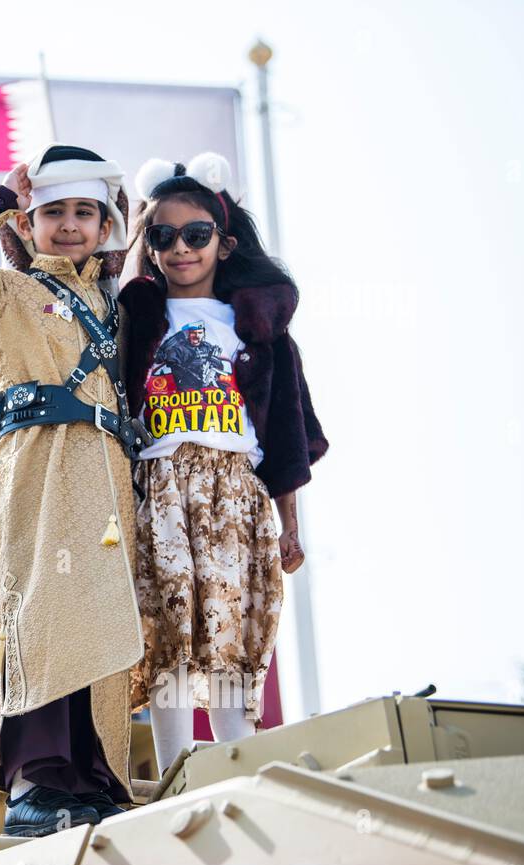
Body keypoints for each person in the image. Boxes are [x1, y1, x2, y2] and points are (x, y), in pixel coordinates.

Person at [0, 145, 148, 836]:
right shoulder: (7, 291)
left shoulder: (119, 305)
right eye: (54, 212)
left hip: (107, 480)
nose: (71, 225)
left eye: (86, 212)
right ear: (30, 223)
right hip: (35, 473)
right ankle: (38, 781)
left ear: (106, 224)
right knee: (42, 617)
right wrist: (0, 201)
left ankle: (93, 777)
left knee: (100, 621)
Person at [116, 152, 328, 775]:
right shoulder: (135, 320)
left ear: (224, 242)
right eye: (163, 237)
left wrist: (290, 524)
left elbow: (285, 434)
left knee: (229, 635)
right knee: (170, 633)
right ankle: (176, 774)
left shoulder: (258, 328)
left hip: (235, 492)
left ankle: (236, 768)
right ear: (148, 245)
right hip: (161, 489)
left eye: (196, 234)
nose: (181, 248)